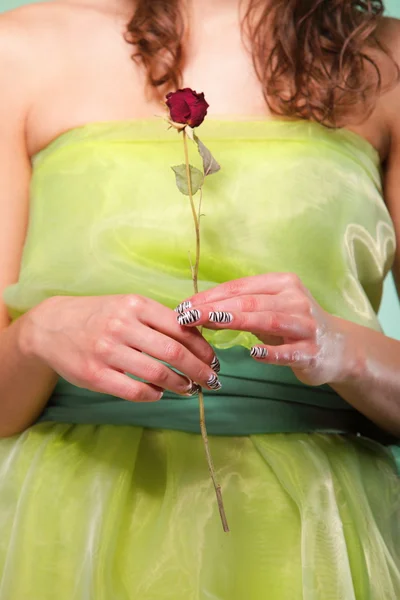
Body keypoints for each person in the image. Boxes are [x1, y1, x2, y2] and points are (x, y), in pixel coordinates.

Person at [0, 0, 399, 597]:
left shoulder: (385, 61)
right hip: (62, 533)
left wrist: (342, 350)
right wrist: (37, 336)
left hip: (310, 538)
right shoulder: (18, 49)